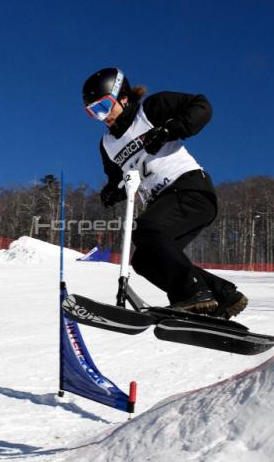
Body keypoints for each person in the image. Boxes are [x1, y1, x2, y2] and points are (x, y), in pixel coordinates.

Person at [81, 67, 247, 319]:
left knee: (146, 229)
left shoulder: (151, 110)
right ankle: (223, 296)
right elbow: (120, 179)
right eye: (93, 112)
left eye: (103, 107)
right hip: (164, 203)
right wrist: (112, 192)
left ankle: (192, 293)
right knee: (145, 261)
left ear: (123, 97)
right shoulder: (107, 145)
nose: (101, 117)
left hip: (191, 189)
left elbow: (201, 106)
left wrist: (170, 130)